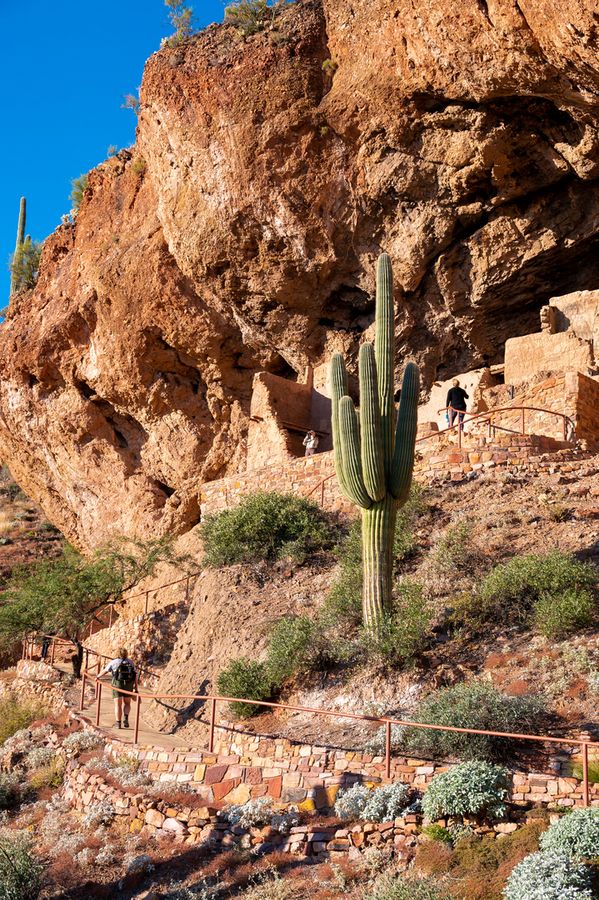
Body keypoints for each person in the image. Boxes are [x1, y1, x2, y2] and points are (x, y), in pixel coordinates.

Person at [98, 648, 137, 729]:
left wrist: (97, 677)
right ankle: (126, 718)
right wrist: (136, 688)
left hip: (117, 684)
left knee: (118, 704)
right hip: (129, 685)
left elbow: (105, 671)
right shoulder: (131, 662)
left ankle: (118, 723)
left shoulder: (114, 662)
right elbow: (135, 676)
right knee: (127, 703)